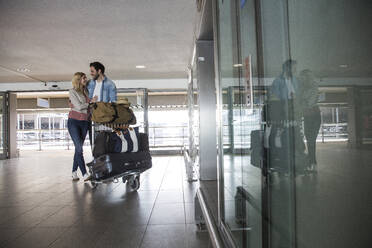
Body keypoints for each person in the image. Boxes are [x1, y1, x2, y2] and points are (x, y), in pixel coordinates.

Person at [68, 72, 97, 181]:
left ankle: (74, 172)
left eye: (85, 78)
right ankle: (84, 174)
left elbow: (89, 108)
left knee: (78, 148)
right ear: (78, 80)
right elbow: (79, 107)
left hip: (85, 122)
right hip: (74, 122)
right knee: (79, 148)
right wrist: (90, 103)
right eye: (84, 78)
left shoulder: (86, 92)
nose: (85, 79)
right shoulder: (72, 92)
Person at [299, 69, 321, 172]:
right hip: (309, 116)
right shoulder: (304, 88)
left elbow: (309, 103)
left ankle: (311, 163)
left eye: (303, 77)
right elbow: (304, 102)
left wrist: (303, 100)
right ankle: (312, 162)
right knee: (310, 140)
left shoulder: (313, 87)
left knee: (311, 140)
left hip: (313, 116)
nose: (301, 79)